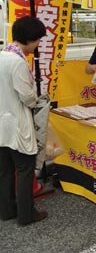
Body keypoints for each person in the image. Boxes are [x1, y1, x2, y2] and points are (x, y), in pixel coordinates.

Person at [0, 16, 48, 225]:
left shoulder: (2, 56)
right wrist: (37, 99)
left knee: (4, 171)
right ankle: (26, 214)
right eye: (38, 40)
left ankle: (7, 210)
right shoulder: (18, 62)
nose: (38, 45)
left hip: (2, 123)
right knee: (25, 169)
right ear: (30, 39)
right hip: (17, 123)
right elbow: (27, 97)